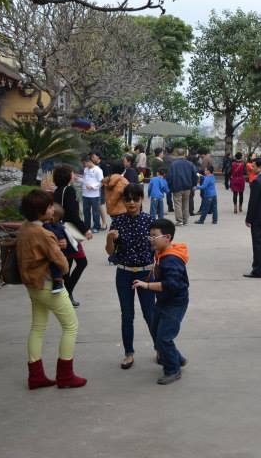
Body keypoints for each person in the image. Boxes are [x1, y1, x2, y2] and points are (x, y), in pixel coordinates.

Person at [16, 189, 86, 389]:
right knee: (70, 326)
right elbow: (62, 265)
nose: (52, 209)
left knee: (37, 327)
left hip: (32, 286)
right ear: (40, 211)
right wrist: (61, 249)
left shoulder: (25, 228)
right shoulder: (44, 234)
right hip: (48, 285)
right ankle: (65, 376)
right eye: (48, 207)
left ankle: (36, 376)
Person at [132, 218, 189, 385]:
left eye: (154, 236)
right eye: (149, 236)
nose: (151, 239)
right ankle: (177, 359)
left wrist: (147, 285)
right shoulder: (161, 253)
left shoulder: (171, 259)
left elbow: (172, 284)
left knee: (163, 338)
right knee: (157, 333)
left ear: (167, 237)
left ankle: (172, 370)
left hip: (175, 303)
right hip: (164, 301)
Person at [105, 183, 155, 369]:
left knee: (150, 314)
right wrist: (110, 238)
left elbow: (159, 248)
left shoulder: (150, 221)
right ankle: (128, 353)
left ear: (142, 200)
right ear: (123, 201)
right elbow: (110, 252)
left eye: (136, 199)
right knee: (127, 315)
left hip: (145, 272)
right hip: (124, 273)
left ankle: (160, 348)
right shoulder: (118, 222)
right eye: (128, 199)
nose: (132, 203)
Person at [52, 164, 92, 306]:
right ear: (67, 176)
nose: (74, 175)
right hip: (68, 231)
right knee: (82, 262)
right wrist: (85, 229)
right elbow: (72, 214)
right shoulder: (69, 190)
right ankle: (66, 292)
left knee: (67, 264)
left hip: (59, 230)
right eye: (72, 173)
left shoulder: (57, 191)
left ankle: (67, 296)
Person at [41, 203, 72, 295]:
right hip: (58, 252)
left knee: (55, 265)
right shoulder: (56, 225)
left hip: (58, 253)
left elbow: (57, 235)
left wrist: (46, 224)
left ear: (53, 217)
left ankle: (58, 282)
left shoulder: (54, 226)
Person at [166, 148, 197, 226]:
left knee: (177, 204)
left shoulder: (173, 164)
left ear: (177, 154)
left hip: (176, 186)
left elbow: (169, 176)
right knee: (186, 203)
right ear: (184, 154)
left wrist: (169, 186)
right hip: (187, 187)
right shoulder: (190, 164)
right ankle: (185, 220)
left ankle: (179, 221)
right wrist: (194, 184)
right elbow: (194, 175)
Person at [81, 154, 104, 232]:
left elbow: (102, 182)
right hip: (85, 194)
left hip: (94, 195)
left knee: (95, 212)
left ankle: (96, 226)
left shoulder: (98, 170)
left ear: (89, 161)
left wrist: (93, 187)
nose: (84, 165)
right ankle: (86, 226)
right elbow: (84, 180)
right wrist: (78, 179)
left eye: (85, 163)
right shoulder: (85, 169)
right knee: (86, 211)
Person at [90, 152, 111, 229]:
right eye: (91, 157)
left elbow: (107, 177)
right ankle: (97, 223)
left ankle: (104, 223)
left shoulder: (103, 165)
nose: (92, 158)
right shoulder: (93, 164)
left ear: (98, 157)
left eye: (93, 156)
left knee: (101, 205)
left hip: (101, 187)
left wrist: (101, 184)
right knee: (96, 206)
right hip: (93, 188)